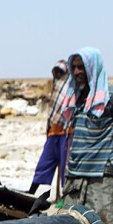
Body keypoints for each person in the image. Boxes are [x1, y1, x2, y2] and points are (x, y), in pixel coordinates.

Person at [61, 47, 113, 224]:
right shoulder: (75, 98)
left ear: (94, 68)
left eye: (82, 67)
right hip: (75, 176)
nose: (77, 72)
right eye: (74, 67)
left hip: (101, 177)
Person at [28, 60, 71, 195]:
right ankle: (31, 191)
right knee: (45, 161)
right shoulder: (56, 87)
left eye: (60, 72)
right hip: (54, 131)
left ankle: (65, 195)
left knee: (65, 166)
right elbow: (52, 110)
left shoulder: (70, 87)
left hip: (66, 131)